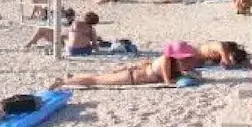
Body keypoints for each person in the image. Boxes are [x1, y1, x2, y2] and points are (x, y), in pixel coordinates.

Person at [48, 41, 202, 88]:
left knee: (98, 77)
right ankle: (63, 81)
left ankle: (72, 76)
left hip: (134, 72)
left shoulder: (169, 61)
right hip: (131, 77)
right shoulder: (165, 61)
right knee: (96, 80)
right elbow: (168, 81)